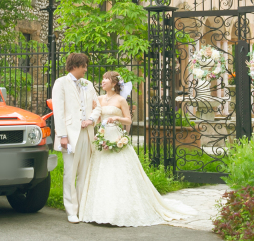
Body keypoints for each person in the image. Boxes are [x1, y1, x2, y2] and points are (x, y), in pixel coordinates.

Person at [78, 71, 197, 227]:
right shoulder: (99, 99)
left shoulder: (121, 100)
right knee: (101, 172)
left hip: (115, 136)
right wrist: (92, 126)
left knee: (118, 172)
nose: (102, 82)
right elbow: (98, 118)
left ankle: (121, 211)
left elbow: (128, 120)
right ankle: (99, 211)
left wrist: (117, 118)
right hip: (102, 137)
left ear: (114, 83)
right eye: (102, 79)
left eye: (105, 79)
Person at [51, 53, 99, 223]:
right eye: (84, 66)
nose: (86, 69)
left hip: (87, 133)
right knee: (70, 174)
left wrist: (91, 119)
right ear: (75, 66)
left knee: (85, 173)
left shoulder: (88, 84)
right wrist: (62, 135)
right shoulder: (61, 83)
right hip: (70, 135)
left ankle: (83, 209)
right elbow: (59, 111)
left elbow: (97, 106)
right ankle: (71, 210)